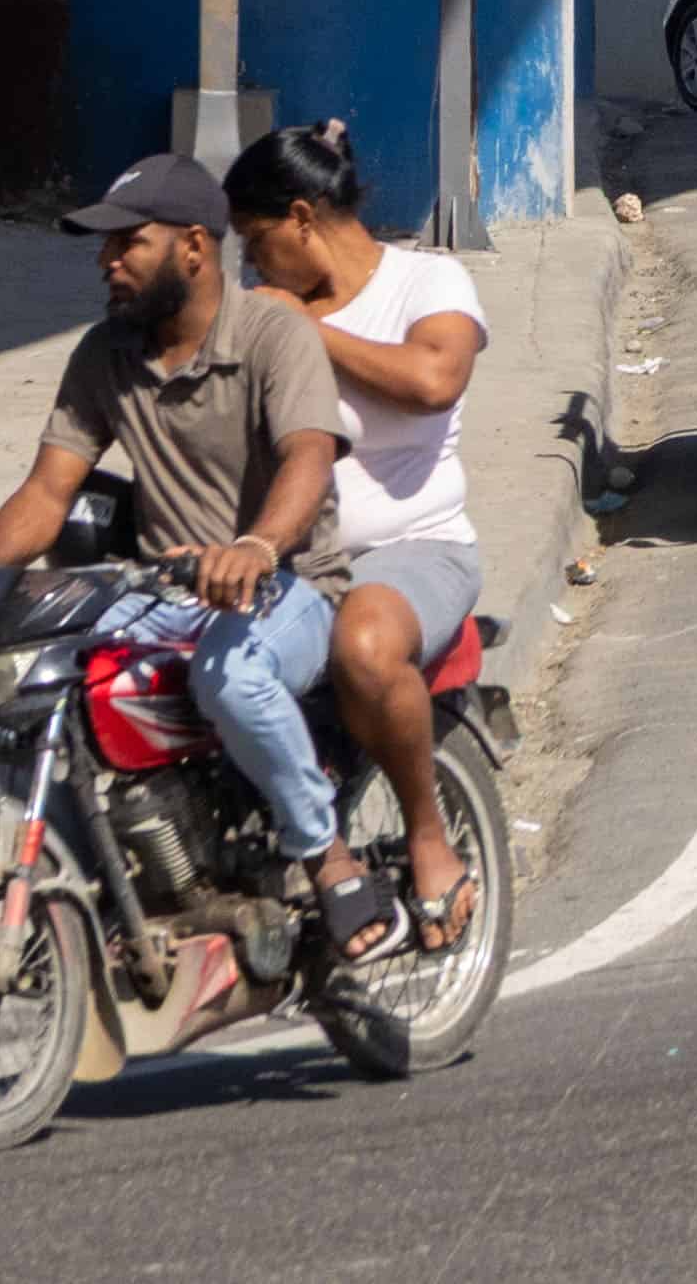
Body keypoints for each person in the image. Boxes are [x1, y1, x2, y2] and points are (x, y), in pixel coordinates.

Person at [0, 154, 393, 962]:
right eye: (104, 246)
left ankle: (325, 854)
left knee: (229, 675)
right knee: (27, 673)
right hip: (161, 591)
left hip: (292, 587)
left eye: (127, 242)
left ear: (194, 248)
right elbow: (47, 491)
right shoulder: (104, 354)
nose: (107, 260)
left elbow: (307, 457)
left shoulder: (274, 333)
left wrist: (256, 546)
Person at [228, 121, 490, 955]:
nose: (253, 263)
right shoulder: (269, 311)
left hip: (418, 549)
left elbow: (430, 378)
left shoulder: (425, 279)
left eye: (258, 240)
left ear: (303, 217)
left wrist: (302, 329)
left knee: (366, 638)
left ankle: (425, 834)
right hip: (298, 562)